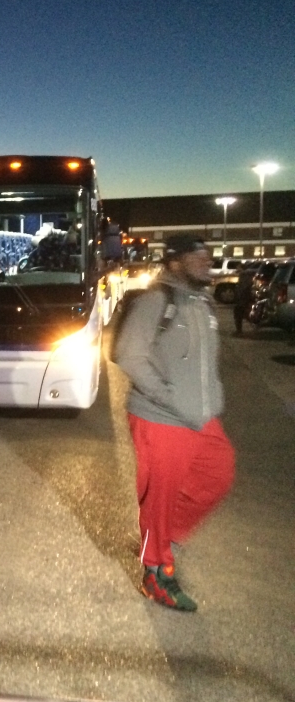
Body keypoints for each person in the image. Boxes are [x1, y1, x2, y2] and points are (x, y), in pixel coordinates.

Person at [115, 235, 234, 612]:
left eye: (207, 256)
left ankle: (163, 536)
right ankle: (156, 574)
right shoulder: (155, 300)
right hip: (161, 417)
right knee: (161, 496)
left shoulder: (202, 302)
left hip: (201, 416)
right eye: (197, 257)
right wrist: (168, 397)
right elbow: (128, 354)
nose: (206, 262)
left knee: (218, 472)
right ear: (175, 262)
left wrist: (209, 398)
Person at [232, 265, 256, 336]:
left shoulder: (244, 275)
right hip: (244, 299)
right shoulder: (246, 275)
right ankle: (239, 330)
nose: (236, 270)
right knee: (240, 315)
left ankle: (239, 331)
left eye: (238, 268)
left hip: (243, 299)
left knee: (239, 315)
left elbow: (243, 288)